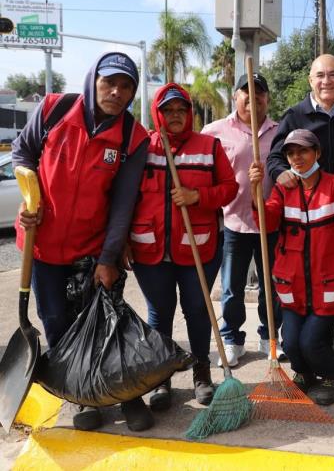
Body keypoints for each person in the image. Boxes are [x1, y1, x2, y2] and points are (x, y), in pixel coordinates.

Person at [12, 52, 151, 431]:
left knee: (105, 324)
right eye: (110, 83)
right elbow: (22, 154)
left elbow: (123, 203)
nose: (117, 92)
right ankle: (81, 395)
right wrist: (30, 197)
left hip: (92, 248)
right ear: (94, 81)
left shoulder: (132, 137)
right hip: (42, 245)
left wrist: (108, 257)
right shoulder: (55, 109)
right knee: (56, 324)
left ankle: (125, 393)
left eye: (126, 86)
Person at [126, 84, 238, 411]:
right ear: (157, 113)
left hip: (197, 246)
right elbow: (124, 197)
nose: (175, 116)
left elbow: (229, 188)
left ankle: (201, 372)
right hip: (150, 249)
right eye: (169, 110)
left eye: (181, 110)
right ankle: (161, 378)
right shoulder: (141, 147)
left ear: (189, 113)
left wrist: (198, 197)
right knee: (159, 315)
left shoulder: (209, 146)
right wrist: (121, 243)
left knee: (198, 311)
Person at [266, 53, 334, 364]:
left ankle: (322, 343)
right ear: (311, 80)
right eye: (320, 75)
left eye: (333, 74)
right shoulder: (295, 115)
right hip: (304, 212)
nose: (326, 81)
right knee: (303, 275)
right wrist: (278, 173)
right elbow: (275, 158)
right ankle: (310, 345)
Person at [249, 129, 334, 405]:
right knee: (291, 342)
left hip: (327, 284)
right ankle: (304, 373)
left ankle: (331, 374)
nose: (297, 157)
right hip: (292, 283)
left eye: (303, 151)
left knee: (310, 342)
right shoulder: (283, 189)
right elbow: (267, 222)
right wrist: (256, 191)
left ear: (317, 153)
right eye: (291, 153)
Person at [201, 72, 283, 365]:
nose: (253, 97)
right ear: (235, 97)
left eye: (259, 92)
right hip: (234, 221)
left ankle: (269, 337)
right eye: (246, 92)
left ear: (267, 99)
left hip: (270, 222)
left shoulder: (280, 131)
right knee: (233, 288)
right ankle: (232, 338)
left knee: (271, 286)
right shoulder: (215, 131)